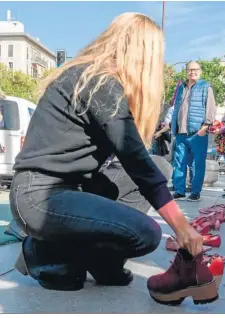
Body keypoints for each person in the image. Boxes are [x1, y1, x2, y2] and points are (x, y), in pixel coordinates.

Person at [9, 13, 205, 293]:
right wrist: (180, 226)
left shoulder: (98, 79)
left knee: (160, 166)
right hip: (39, 196)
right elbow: (135, 160)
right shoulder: (99, 82)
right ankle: (46, 251)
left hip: (72, 188)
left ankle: (89, 257)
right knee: (146, 234)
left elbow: (141, 165)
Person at [171, 61, 217, 202]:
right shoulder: (181, 88)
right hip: (181, 131)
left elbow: (211, 108)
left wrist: (205, 127)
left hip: (197, 132)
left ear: (200, 71)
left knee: (198, 164)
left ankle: (195, 191)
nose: (193, 72)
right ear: (186, 71)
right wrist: (174, 126)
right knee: (179, 162)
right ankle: (179, 190)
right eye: (190, 69)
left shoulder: (205, 87)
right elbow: (177, 108)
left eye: (196, 69)